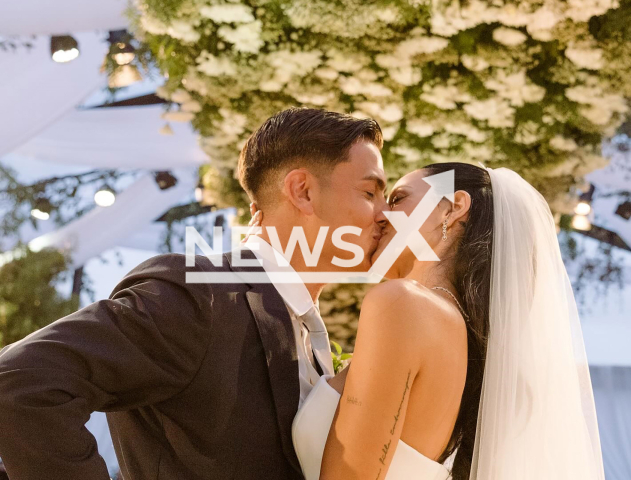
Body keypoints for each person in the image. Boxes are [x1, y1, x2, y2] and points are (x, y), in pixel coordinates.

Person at [0, 107, 388, 479]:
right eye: (370, 193)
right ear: (302, 191)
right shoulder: (202, 294)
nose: (385, 214)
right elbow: (21, 381)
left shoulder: (304, 327)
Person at [289, 163, 606, 480]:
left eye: (398, 198)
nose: (380, 213)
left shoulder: (403, 304)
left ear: (452, 209)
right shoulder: (462, 336)